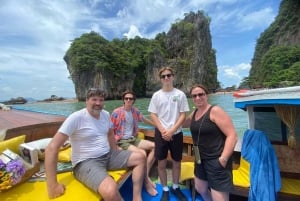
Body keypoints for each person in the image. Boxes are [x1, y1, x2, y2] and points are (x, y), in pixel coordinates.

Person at [45, 88, 151, 201]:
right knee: (110, 190)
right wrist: (52, 185)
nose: (98, 103)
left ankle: (137, 197)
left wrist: (115, 149)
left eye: (101, 100)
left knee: (140, 156)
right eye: (94, 99)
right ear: (86, 101)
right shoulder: (76, 118)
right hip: (86, 162)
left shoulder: (105, 114)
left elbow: (110, 133)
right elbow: (52, 148)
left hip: (108, 155)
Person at [184, 84, 238, 201]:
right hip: (200, 159)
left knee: (219, 197)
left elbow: (232, 135)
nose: (198, 98)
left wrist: (223, 159)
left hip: (216, 159)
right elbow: (182, 124)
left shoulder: (215, 111)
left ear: (206, 95)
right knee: (200, 188)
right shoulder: (194, 113)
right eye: (194, 96)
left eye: (201, 94)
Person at [148, 66, 190, 201]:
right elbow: (153, 115)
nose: (166, 78)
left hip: (176, 133)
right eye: (163, 76)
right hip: (161, 134)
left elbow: (183, 115)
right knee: (161, 163)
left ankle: (176, 187)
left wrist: (171, 130)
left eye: (168, 75)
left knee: (177, 162)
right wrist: (163, 131)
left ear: (173, 76)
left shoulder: (180, 94)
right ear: (160, 79)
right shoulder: (156, 95)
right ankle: (165, 189)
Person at [111, 90, 157, 196]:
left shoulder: (134, 111)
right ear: (123, 100)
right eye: (126, 98)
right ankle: (146, 182)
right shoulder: (116, 112)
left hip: (133, 138)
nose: (128, 100)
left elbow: (144, 119)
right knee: (142, 154)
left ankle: (146, 174)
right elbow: (109, 130)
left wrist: (156, 125)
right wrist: (114, 146)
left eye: (130, 99)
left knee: (156, 146)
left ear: (133, 101)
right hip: (122, 141)